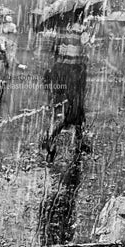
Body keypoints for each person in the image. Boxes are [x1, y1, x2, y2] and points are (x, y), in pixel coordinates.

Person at [42, 17, 92, 162]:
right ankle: (52, 138)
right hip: (75, 72)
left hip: (60, 72)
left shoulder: (60, 28)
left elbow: (54, 51)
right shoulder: (81, 29)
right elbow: (85, 49)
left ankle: (78, 140)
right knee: (75, 108)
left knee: (70, 106)